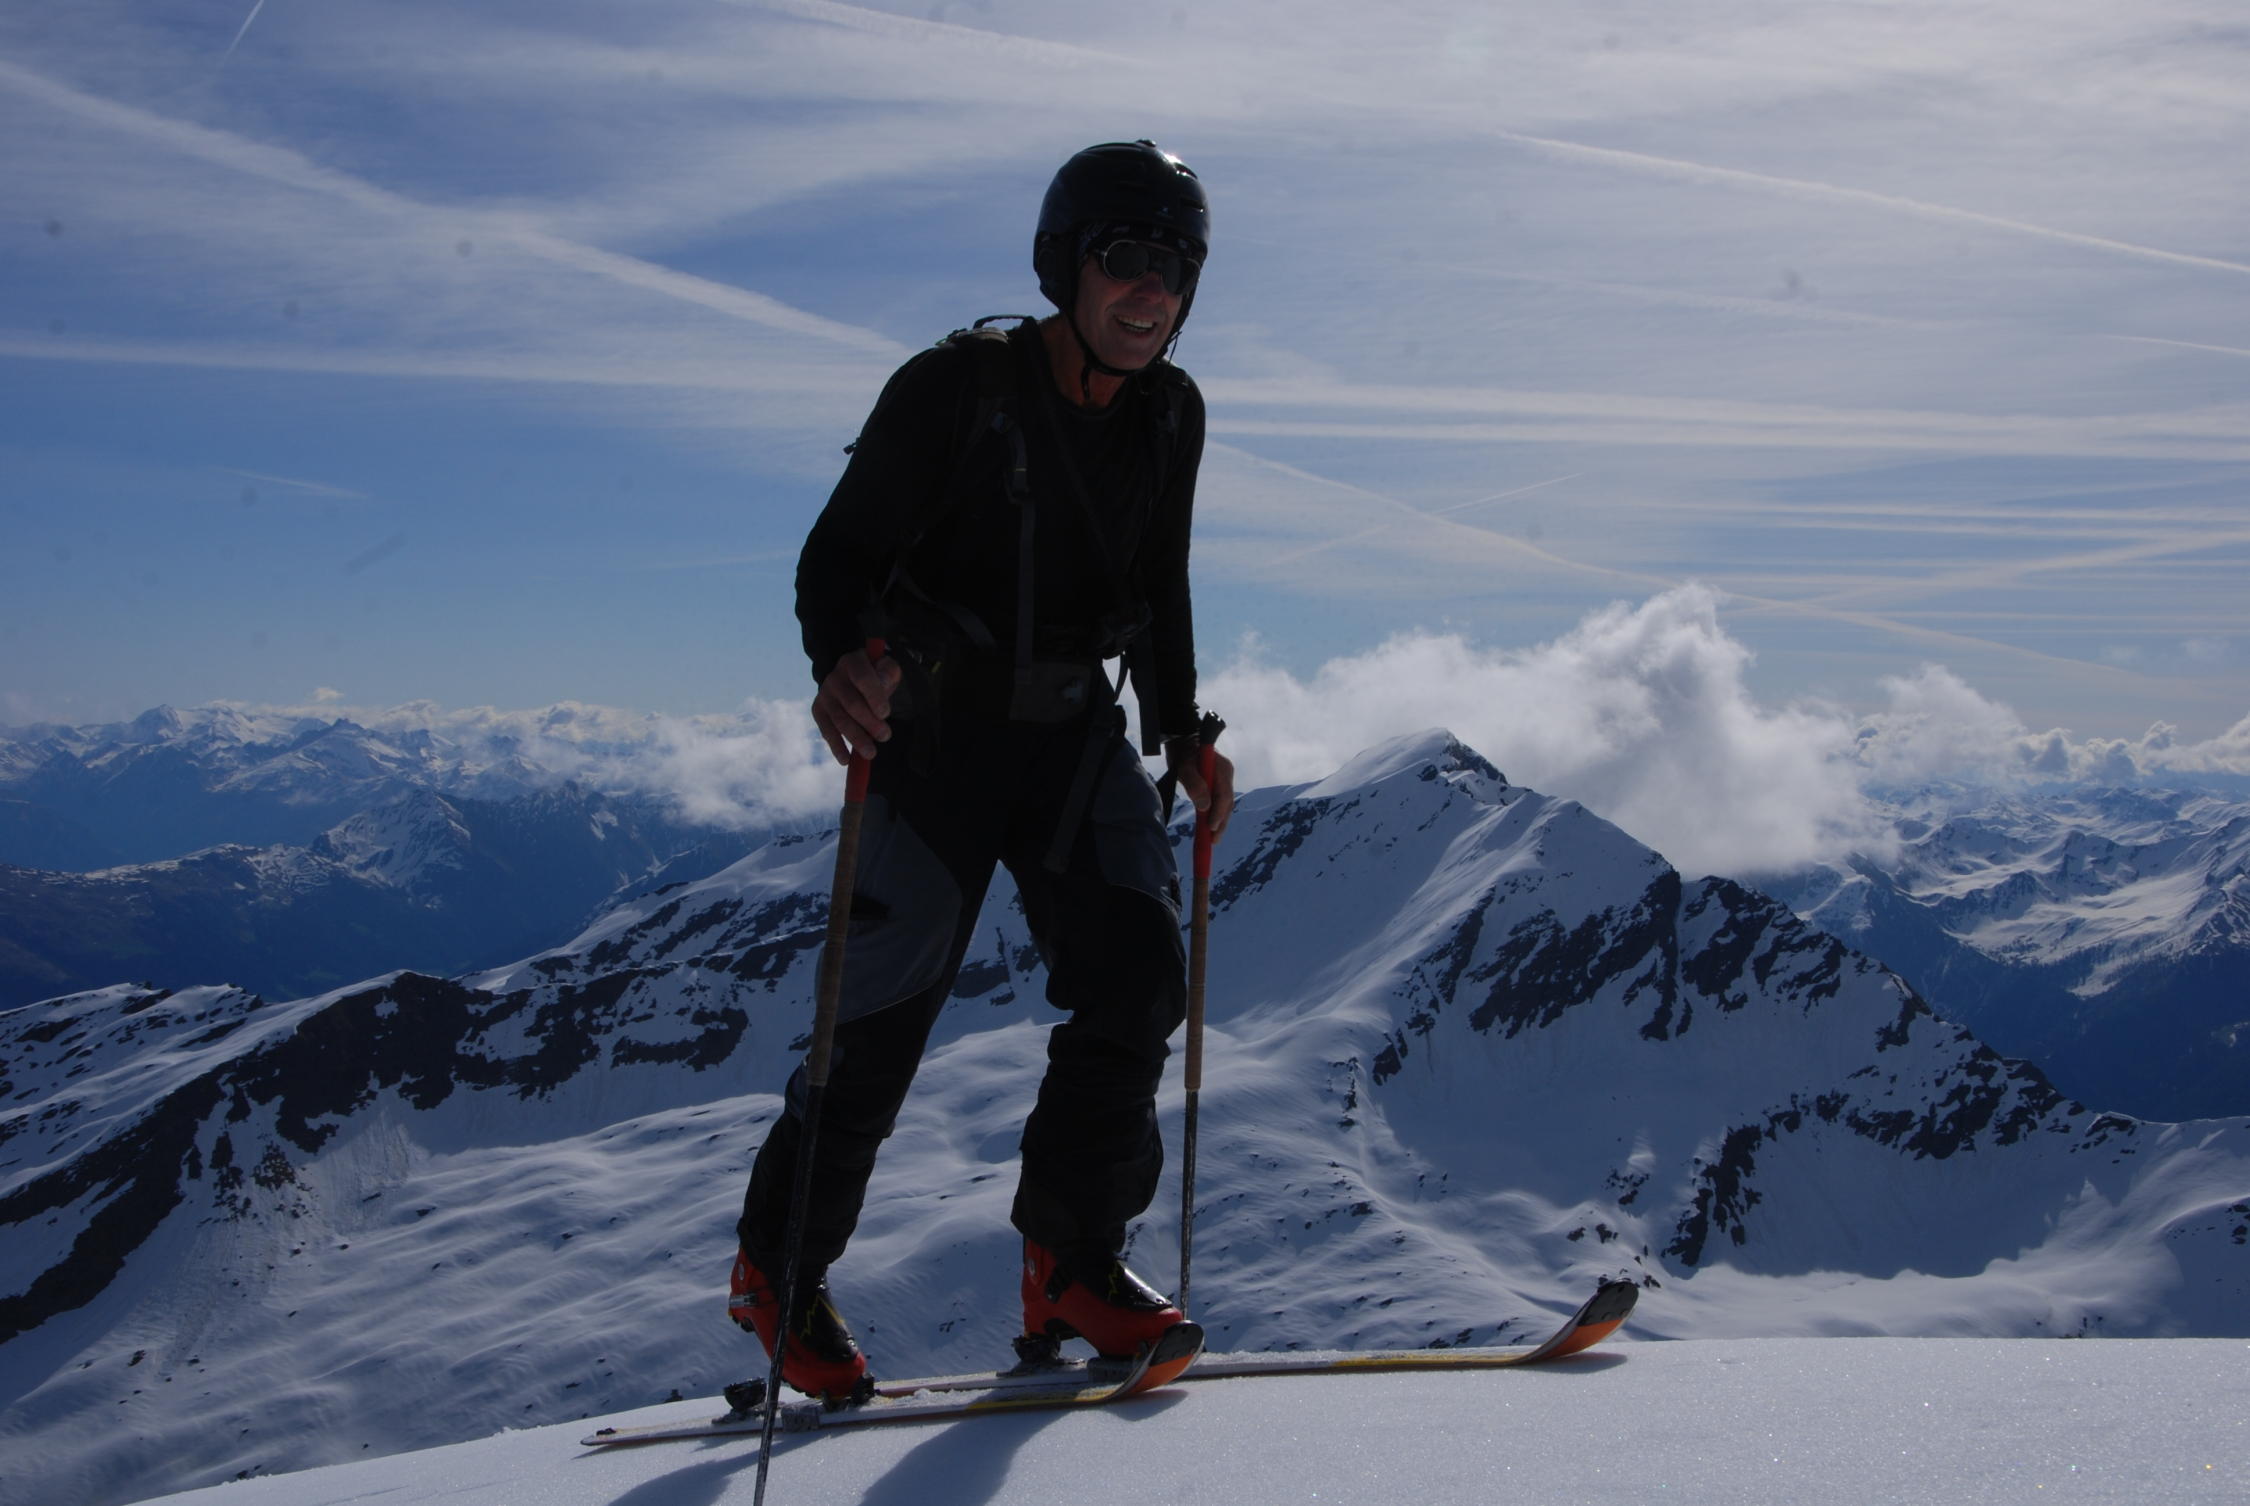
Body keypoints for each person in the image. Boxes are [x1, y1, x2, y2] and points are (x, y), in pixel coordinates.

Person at [728, 139, 1236, 1400]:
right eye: (1127, 258)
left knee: (1137, 978)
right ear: (1066, 264)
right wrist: (841, 664)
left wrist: (1182, 729)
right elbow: (838, 560)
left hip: (1071, 730)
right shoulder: (954, 389)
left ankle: (1071, 1260)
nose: (1152, 291)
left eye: (1177, 267)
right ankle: (777, 1274)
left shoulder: (1170, 415)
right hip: (936, 731)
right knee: (880, 1019)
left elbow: (1160, 580)